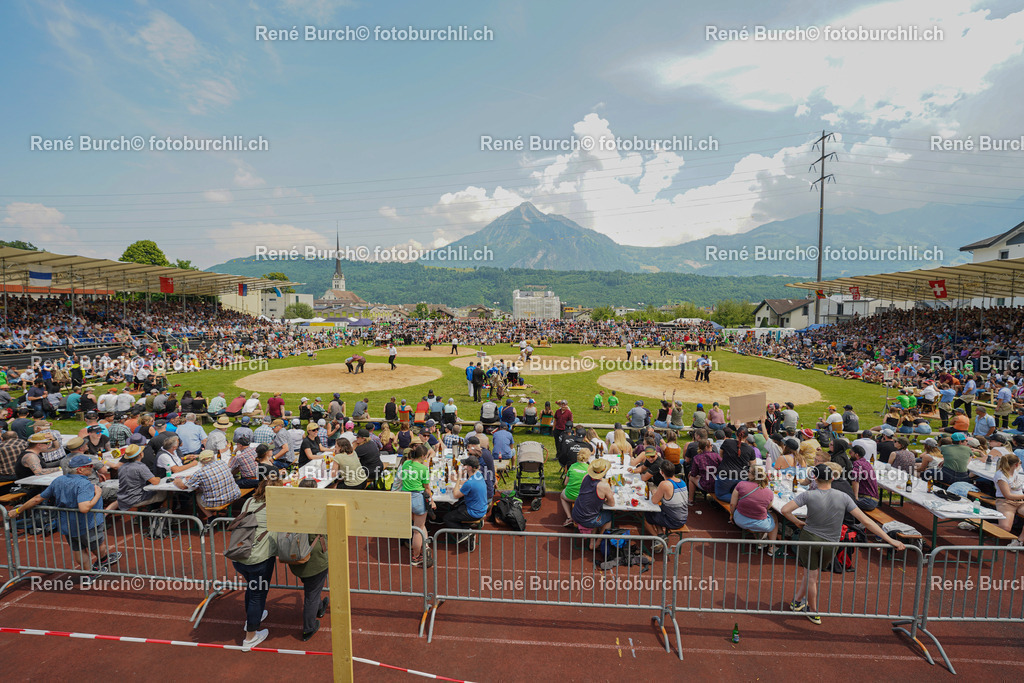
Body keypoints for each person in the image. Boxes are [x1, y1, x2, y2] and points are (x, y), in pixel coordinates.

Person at [781, 463, 904, 625]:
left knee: (811, 576)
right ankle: (797, 601)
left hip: (810, 539)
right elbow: (866, 521)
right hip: (832, 543)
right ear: (833, 477)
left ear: (815, 478)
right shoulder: (843, 497)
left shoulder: (808, 495)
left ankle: (814, 611)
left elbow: (784, 510)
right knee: (812, 574)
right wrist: (890, 539)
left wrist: (797, 522)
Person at [11, 454, 122, 583]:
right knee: (97, 544)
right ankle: (103, 560)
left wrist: (18, 510)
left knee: (78, 549)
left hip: (67, 524)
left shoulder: (59, 480)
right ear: (80, 470)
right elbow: (84, 508)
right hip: (88, 523)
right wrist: (98, 494)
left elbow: (37, 498)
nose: (92, 469)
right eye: (89, 466)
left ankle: (89, 574)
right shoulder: (84, 484)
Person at [234, 468, 279, 650]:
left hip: (239, 555)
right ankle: (250, 637)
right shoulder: (275, 508)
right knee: (257, 595)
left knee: (252, 590)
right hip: (259, 558)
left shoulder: (248, 502)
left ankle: (252, 618)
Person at [288, 479, 330, 641]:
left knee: (312, 588)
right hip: (315, 558)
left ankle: (320, 607)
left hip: (297, 558)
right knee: (311, 594)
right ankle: (308, 628)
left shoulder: (293, 509)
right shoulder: (318, 510)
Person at [729, 463, 785, 556]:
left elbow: (732, 504)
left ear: (752, 475)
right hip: (760, 524)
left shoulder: (741, 484)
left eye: (749, 471)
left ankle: (760, 542)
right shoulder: (769, 492)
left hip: (740, 520)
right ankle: (771, 547)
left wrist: (731, 515)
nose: (747, 473)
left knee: (757, 515)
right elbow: (767, 508)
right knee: (774, 516)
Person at [175, 449, 240, 519]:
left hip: (218, 501)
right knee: (211, 488)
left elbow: (184, 486)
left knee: (198, 495)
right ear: (213, 457)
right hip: (234, 494)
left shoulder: (200, 473)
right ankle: (225, 513)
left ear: (201, 461)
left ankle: (210, 517)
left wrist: (177, 481)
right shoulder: (222, 463)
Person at [400, 444, 435, 566]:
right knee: (417, 530)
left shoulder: (405, 464)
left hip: (406, 498)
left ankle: (424, 545)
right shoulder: (423, 469)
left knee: (418, 525)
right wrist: (432, 500)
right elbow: (427, 488)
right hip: (418, 499)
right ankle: (416, 557)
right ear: (422, 456)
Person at [571, 458, 615, 548]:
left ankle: (592, 540)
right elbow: (612, 504)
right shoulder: (604, 486)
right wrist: (606, 498)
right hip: (588, 519)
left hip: (576, 514)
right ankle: (597, 543)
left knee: (595, 513)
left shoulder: (585, 477)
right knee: (609, 516)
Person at [443, 455, 488, 538]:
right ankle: (466, 528)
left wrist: (458, 478)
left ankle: (465, 534)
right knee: (455, 508)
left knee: (447, 518)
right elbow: (467, 483)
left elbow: (455, 495)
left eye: (465, 465)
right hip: (481, 508)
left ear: (469, 468)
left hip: (474, 512)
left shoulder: (470, 483)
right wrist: (457, 481)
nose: (463, 466)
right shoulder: (478, 475)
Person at [115, 444, 168, 511]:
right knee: (166, 494)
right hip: (136, 499)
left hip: (123, 498)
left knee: (147, 491)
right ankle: (164, 515)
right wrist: (158, 478)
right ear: (141, 454)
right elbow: (155, 482)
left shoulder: (122, 467)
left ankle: (144, 513)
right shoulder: (140, 467)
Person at [644, 461, 688, 539]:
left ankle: (658, 539)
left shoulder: (664, 484)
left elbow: (654, 501)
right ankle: (660, 534)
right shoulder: (682, 482)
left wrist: (654, 492)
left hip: (673, 521)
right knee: (657, 511)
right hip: (683, 518)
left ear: (661, 472)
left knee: (645, 516)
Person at [993, 454, 1024, 547]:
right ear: (1016, 464)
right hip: (1006, 502)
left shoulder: (1015, 471)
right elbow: (1008, 496)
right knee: (1005, 528)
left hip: (1020, 501)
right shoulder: (1001, 476)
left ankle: (1020, 540)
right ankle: (978, 524)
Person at [559, 449, 591, 527]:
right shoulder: (589, 468)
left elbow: (565, 483)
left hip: (570, 495)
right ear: (588, 458)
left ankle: (569, 517)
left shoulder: (572, 466)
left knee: (562, 496)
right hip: (584, 497)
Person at [848, 444, 879, 510]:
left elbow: (855, 480)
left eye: (851, 452)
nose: (849, 454)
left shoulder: (857, 463)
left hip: (867, 500)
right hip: (873, 499)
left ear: (856, 455)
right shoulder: (866, 463)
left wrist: (855, 498)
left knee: (844, 502)